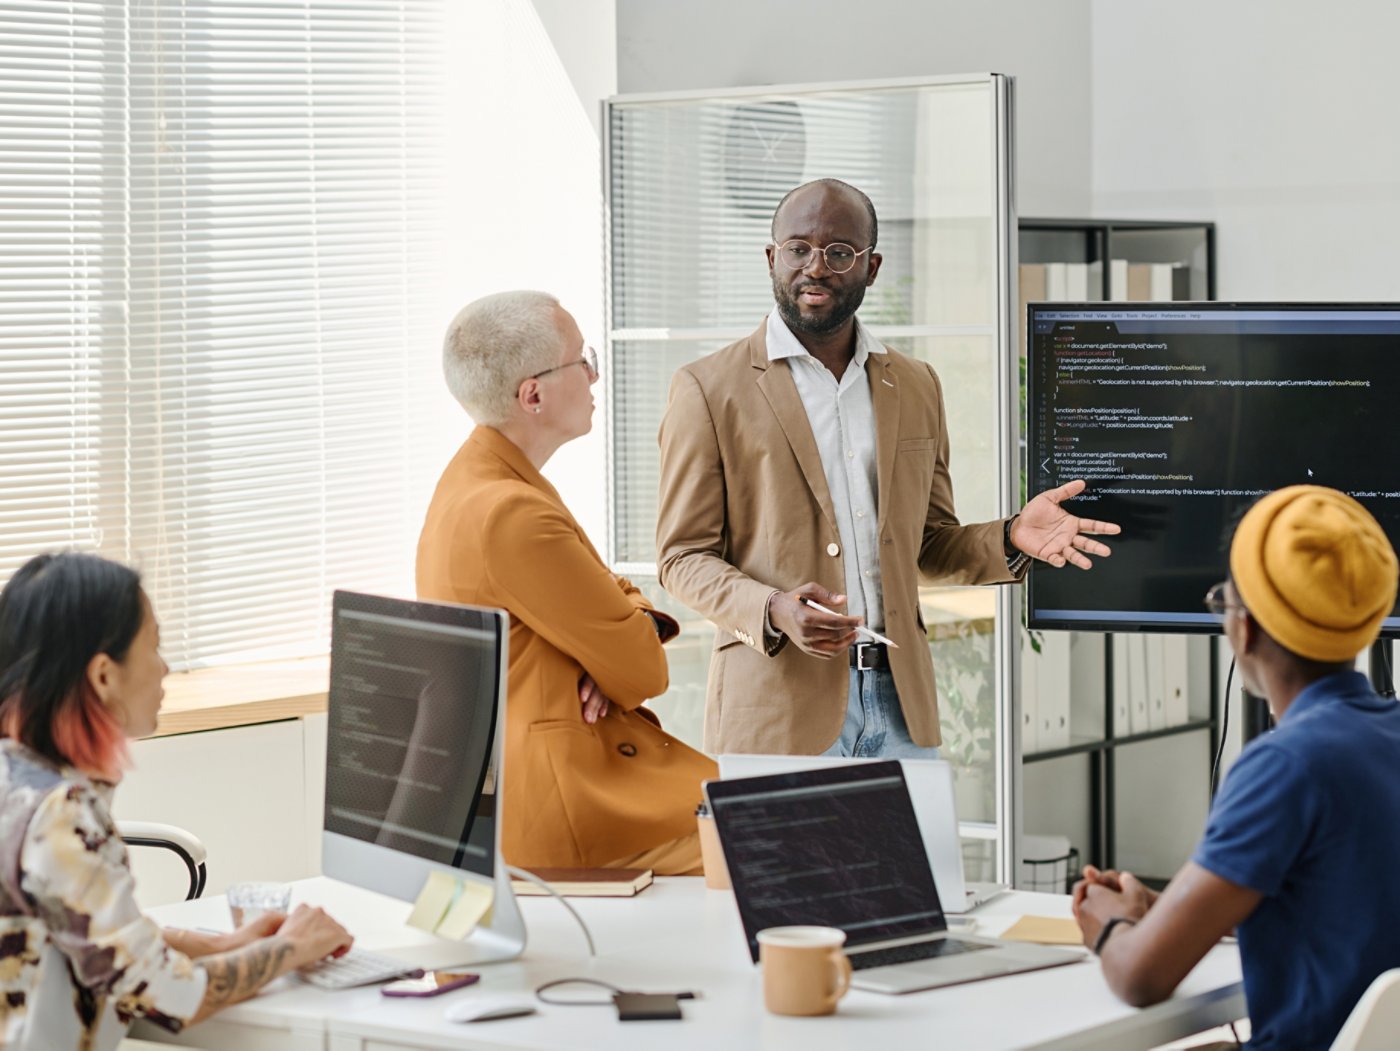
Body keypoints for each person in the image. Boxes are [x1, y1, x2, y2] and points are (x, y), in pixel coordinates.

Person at [656, 178, 1118, 757]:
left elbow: (928, 546)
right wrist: (771, 609)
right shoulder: (707, 388)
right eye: (798, 249)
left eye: (840, 252)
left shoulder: (916, 384)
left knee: (910, 854)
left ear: (871, 267)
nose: (816, 268)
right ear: (772, 259)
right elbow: (681, 558)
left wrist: (1011, 537)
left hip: (901, 709)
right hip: (778, 707)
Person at [1072, 485, 1400, 1050]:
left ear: (1243, 627)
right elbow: (1336, 900)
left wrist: (1111, 928)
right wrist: (1162, 908)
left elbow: (1140, 977)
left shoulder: (1286, 764)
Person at [0, 552, 353, 1050]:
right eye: (155, 647)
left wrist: (222, 944)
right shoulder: (60, 815)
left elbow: (89, 933)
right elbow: (168, 998)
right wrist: (295, 946)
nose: (165, 669)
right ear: (103, 676)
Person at [417, 290, 716, 875]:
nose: (595, 377)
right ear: (533, 394)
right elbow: (644, 671)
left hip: (522, 786)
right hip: (573, 808)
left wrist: (604, 644)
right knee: (798, 840)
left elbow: (608, 628)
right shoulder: (514, 514)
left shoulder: (473, 482)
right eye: (584, 362)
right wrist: (614, 644)